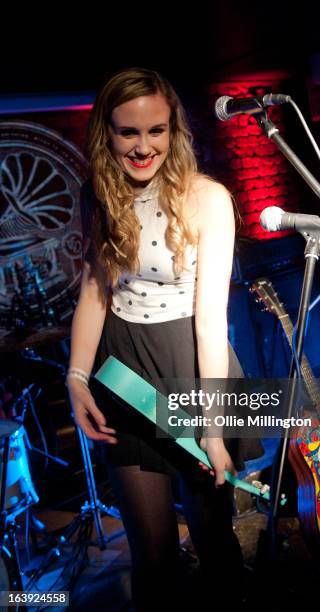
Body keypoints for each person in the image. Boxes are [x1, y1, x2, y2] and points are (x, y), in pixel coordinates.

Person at [67, 67, 264, 611]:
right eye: (129, 132)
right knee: (151, 554)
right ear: (107, 134)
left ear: (175, 129)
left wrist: (214, 430)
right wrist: (77, 375)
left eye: (156, 130)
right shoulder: (99, 194)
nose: (143, 146)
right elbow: (94, 290)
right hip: (123, 366)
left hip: (191, 366)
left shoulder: (208, 199)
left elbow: (209, 320)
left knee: (212, 539)